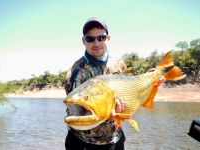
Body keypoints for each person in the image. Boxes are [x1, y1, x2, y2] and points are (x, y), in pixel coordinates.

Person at [64, 17, 165, 150]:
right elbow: (76, 115)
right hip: (82, 143)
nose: (96, 43)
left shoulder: (119, 63)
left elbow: (132, 93)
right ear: (84, 41)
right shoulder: (74, 72)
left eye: (101, 38)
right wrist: (105, 113)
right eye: (90, 39)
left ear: (108, 38)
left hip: (114, 141)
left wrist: (153, 82)